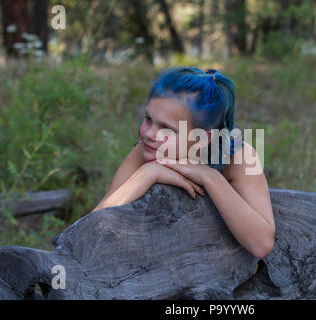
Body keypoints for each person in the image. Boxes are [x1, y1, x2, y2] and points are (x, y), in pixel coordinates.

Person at [92, 67, 275, 259]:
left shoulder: (239, 157)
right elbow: (92, 226)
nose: (148, 133)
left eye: (166, 129)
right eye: (148, 119)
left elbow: (261, 244)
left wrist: (210, 176)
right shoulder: (145, 150)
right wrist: (148, 173)